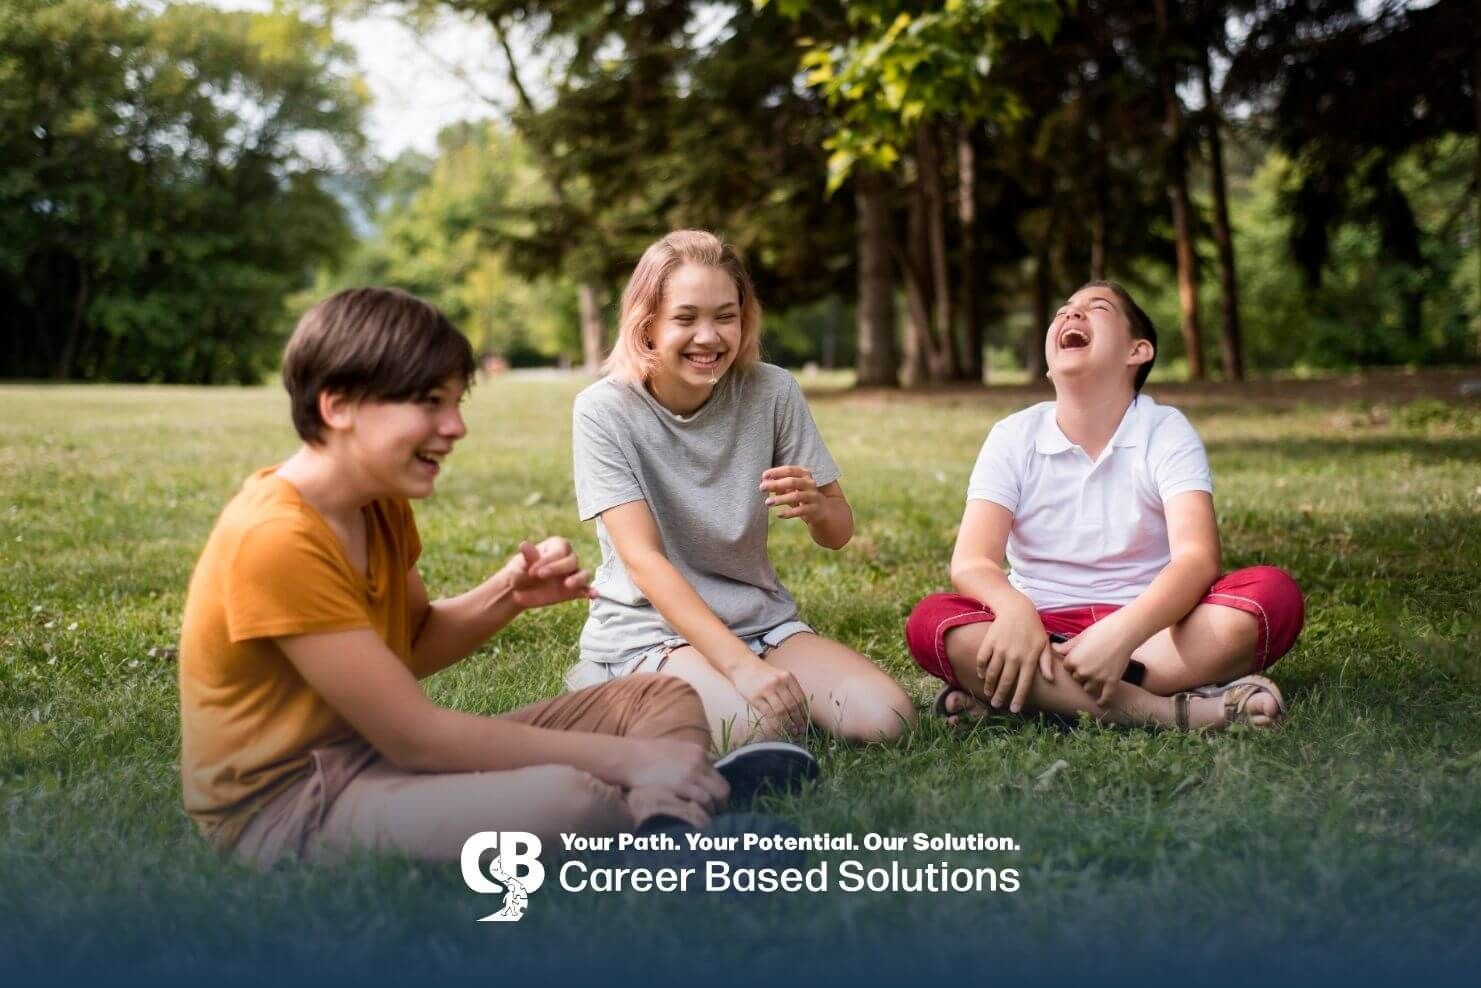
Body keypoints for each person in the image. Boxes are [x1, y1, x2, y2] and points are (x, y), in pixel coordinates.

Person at [179, 286, 780, 869]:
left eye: (455, 402)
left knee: (660, 694)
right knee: (564, 800)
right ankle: (673, 818)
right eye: (428, 403)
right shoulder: (276, 539)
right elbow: (416, 738)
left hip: (376, 759)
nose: (455, 427)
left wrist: (507, 595)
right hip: (291, 803)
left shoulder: (377, 502)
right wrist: (633, 760)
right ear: (337, 406)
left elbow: (411, 646)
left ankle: (664, 819)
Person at [567, 230, 916, 748]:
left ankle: (715, 689)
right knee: (755, 731)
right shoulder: (603, 410)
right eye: (685, 318)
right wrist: (740, 669)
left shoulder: (773, 392)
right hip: (652, 630)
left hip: (760, 622)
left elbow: (839, 532)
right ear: (647, 325)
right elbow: (643, 561)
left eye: (725, 316)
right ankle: (615, 686)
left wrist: (819, 508)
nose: (708, 337)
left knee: (888, 719)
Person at [905, 281, 1304, 731]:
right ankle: (1178, 711)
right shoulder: (1012, 435)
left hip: (1151, 631)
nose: (1071, 316)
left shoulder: (1165, 429)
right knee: (932, 621)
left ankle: (1034, 696)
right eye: (1063, 310)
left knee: (1273, 595)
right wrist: (1016, 613)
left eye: (1096, 308)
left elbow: (1197, 558)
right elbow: (973, 562)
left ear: (1138, 351)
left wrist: (1121, 635)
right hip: (1036, 627)